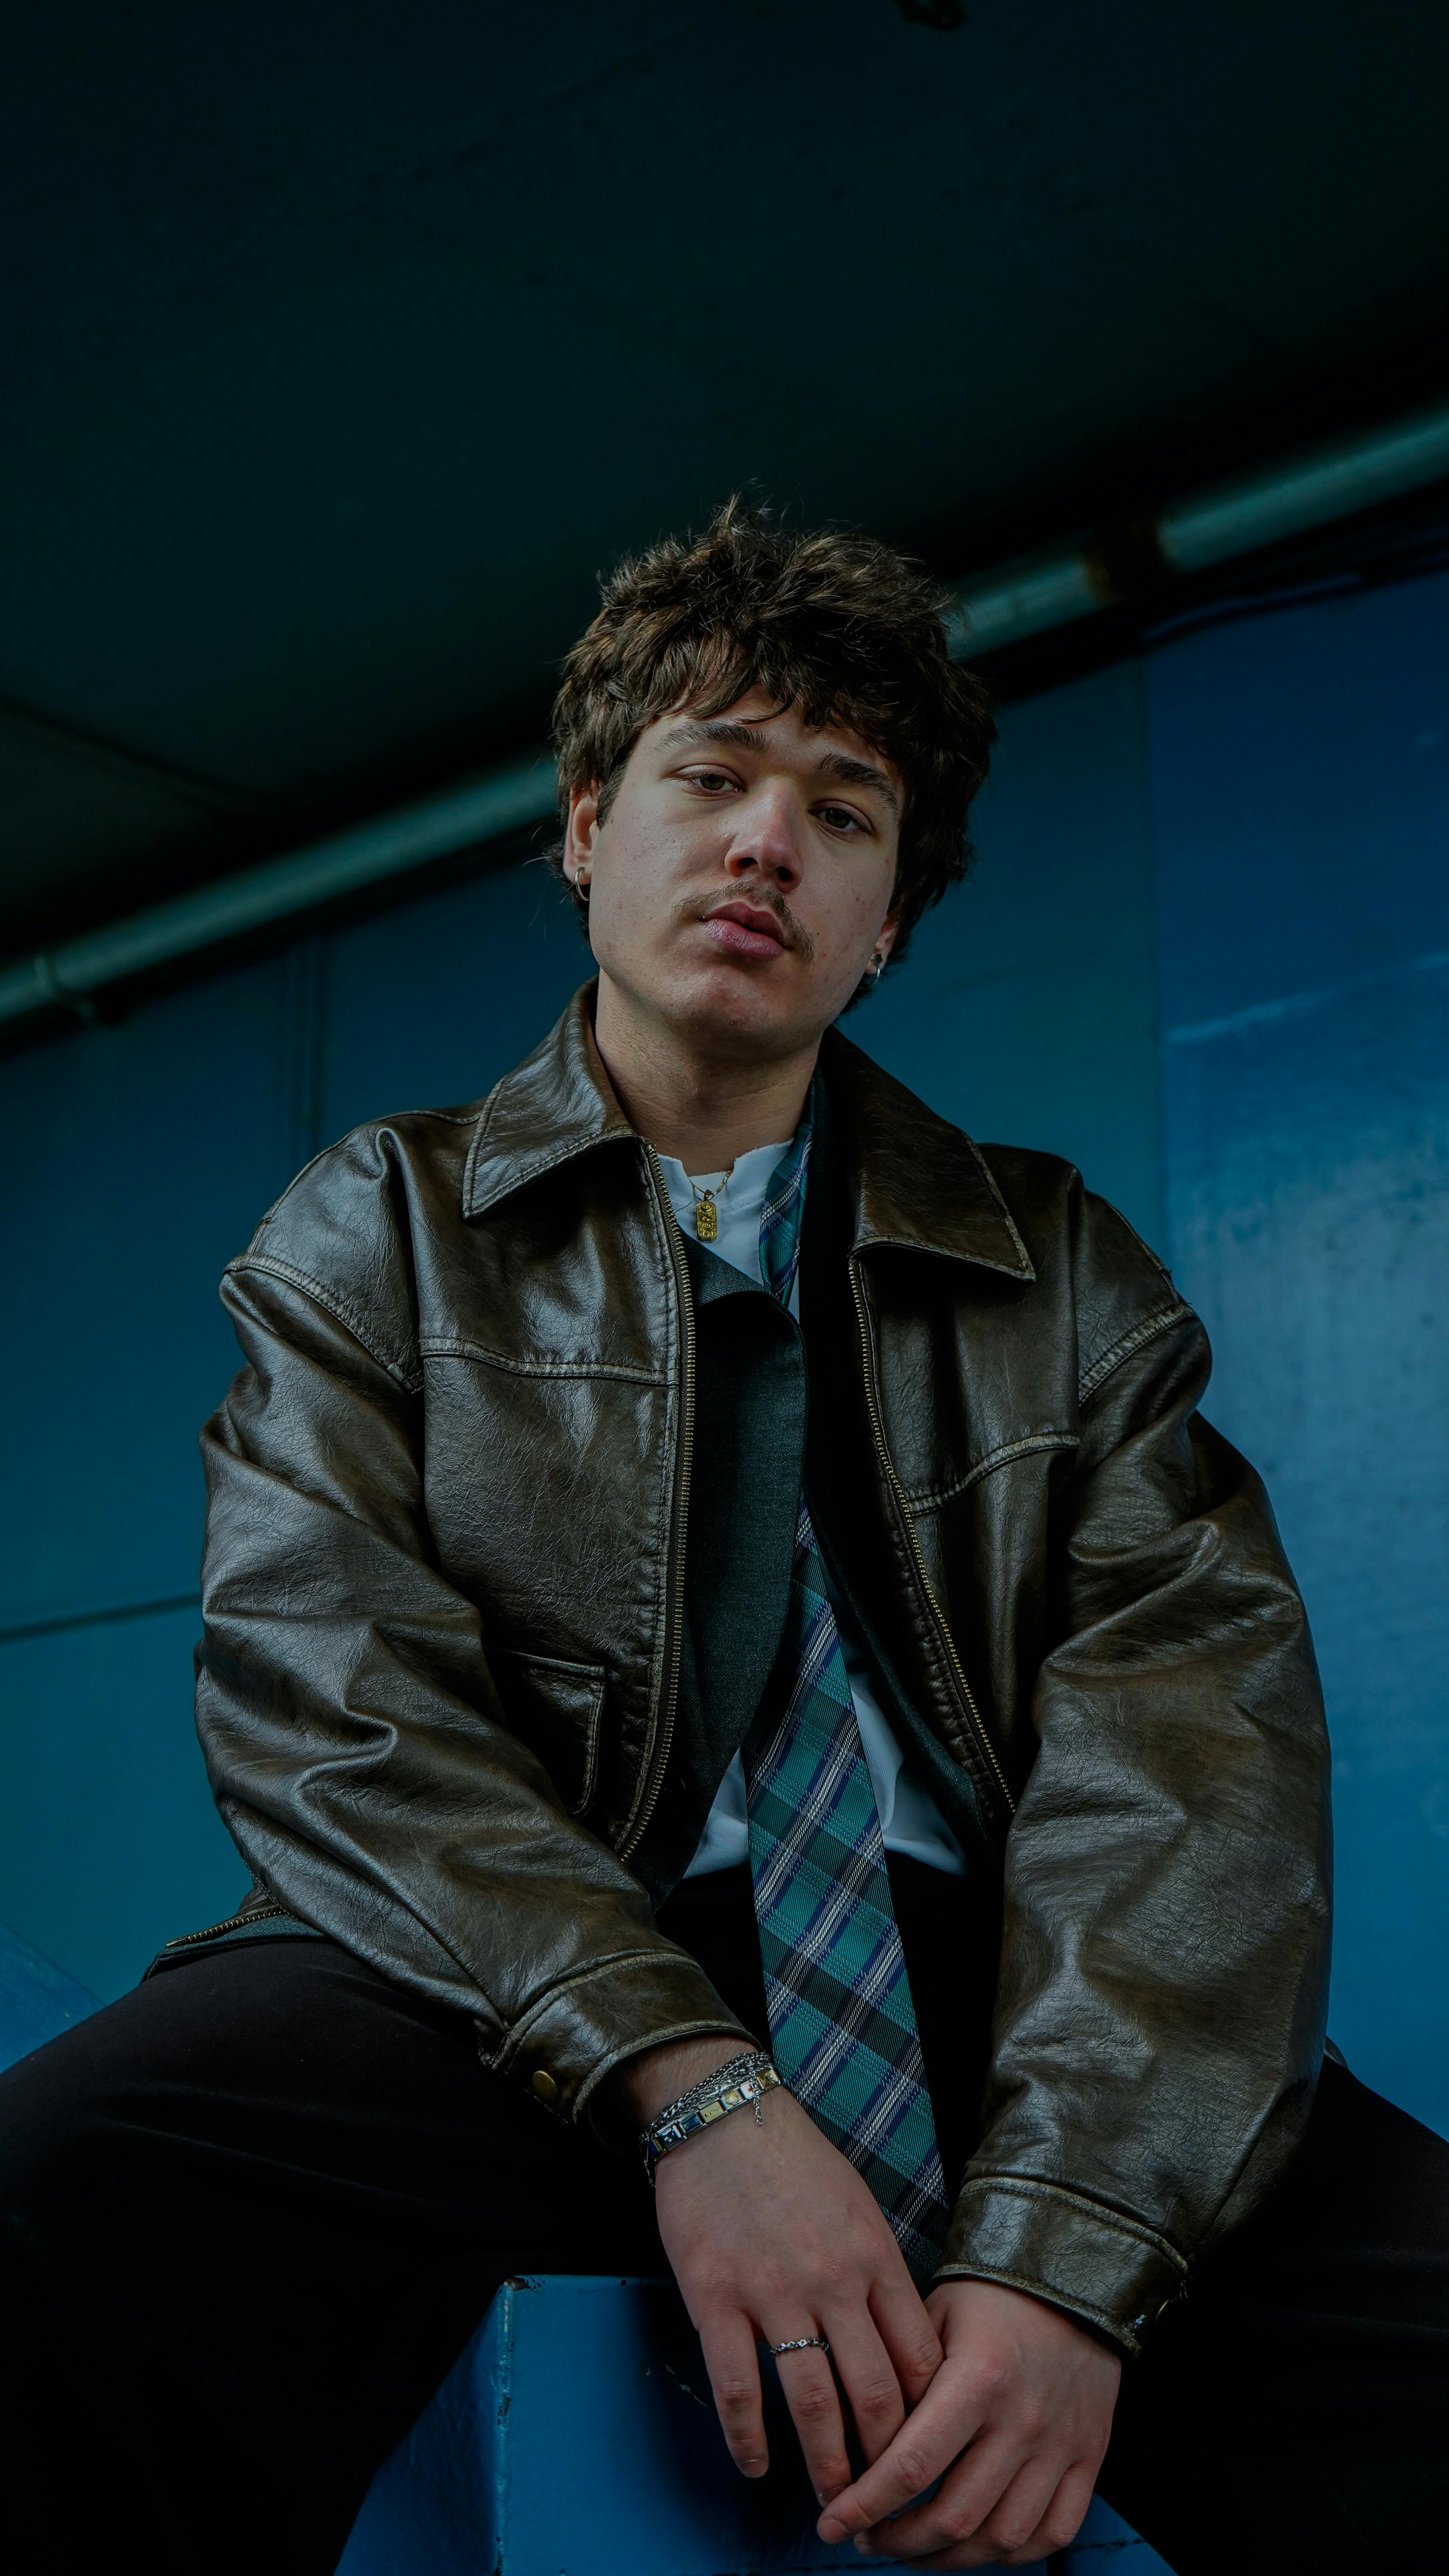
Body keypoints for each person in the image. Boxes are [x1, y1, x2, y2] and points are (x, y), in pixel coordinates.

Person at [1, 502, 1445, 2576]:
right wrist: (687, 2080)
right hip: (518, 1972)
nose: (767, 841)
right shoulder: (373, 1228)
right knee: (54, 2187)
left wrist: (1064, 2258)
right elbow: (339, 1705)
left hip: (984, 1991)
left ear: (886, 928)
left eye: (840, 812)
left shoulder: (1054, 1265)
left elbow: (1194, 1759)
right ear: (590, 833)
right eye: (711, 777)